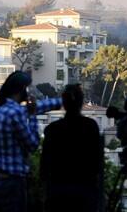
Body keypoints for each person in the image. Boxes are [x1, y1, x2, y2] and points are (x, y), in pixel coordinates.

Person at [0, 71, 62, 212]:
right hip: (11, 184)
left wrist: (60, 102)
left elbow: (30, 108)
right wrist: (32, 117)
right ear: (21, 90)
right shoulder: (16, 113)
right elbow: (32, 144)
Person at [40, 84, 102, 212]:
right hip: (85, 193)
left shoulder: (52, 129)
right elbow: (98, 163)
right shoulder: (91, 127)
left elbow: (44, 166)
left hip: (58, 194)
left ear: (64, 103)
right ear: (81, 102)